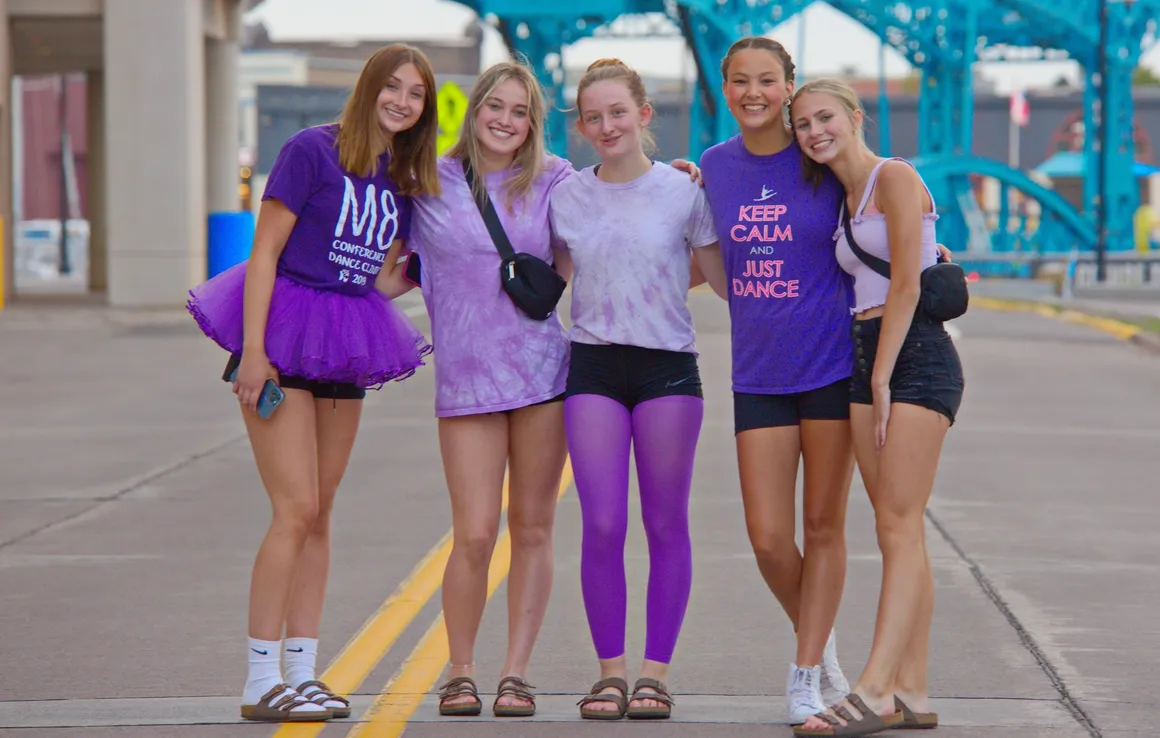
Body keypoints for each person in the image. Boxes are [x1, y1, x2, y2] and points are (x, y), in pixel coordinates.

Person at [185, 44, 439, 723]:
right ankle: (259, 678)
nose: (402, 102)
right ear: (368, 88)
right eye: (393, 87)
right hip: (284, 335)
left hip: (347, 343)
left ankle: (301, 671)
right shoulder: (311, 150)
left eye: (415, 94)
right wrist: (256, 350)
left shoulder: (401, 179)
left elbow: (378, 276)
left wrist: (427, 271)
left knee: (321, 511)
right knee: (294, 508)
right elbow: (264, 250)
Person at [548, 58, 727, 721]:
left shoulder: (683, 192)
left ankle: (655, 673)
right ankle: (610, 673)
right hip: (592, 366)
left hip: (666, 370)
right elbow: (546, 269)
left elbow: (718, 273)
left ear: (644, 115)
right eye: (592, 117)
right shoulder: (566, 195)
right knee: (601, 522)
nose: (605, 126)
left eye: (617, 112)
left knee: (663, 521)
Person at [789, 77, 964, 737]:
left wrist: (884, 376)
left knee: (896, 525)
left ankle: (876, 688)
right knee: (898, 527)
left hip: (912, 358)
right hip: (866, 358)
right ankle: (914, 692)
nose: (815, 131)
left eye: (825, 117)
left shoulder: (895, 176)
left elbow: (906, 286)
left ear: (855, 116)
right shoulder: (841, 197)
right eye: (803, 123)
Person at [696, 36, 856, 725]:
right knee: (767, 537)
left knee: (823, 527)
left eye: (767, 80)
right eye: (740, 81)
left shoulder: (821, 156)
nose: (753, 92)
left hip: (831, 367)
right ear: (725, 89)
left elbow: (887, 207)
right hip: (759, 370)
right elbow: (714, 264)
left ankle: (802, 677)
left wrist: (928, 241)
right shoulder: (712, 167)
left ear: (789, 86)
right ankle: (825, 655)